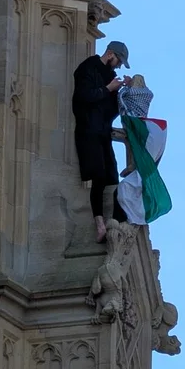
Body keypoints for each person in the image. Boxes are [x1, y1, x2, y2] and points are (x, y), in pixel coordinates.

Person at [73, 39, 130, 242]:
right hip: (88, 130)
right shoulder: (89, 66)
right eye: (118, 61)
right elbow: (83, 96)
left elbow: (111, 111)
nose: (118, 66)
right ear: (110, 54)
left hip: (103, 132)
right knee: (98, 176)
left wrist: (123, 91)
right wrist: (108, 88)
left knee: (112, 177)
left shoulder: (111, 76)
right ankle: (99, 225)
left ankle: (113, 222)